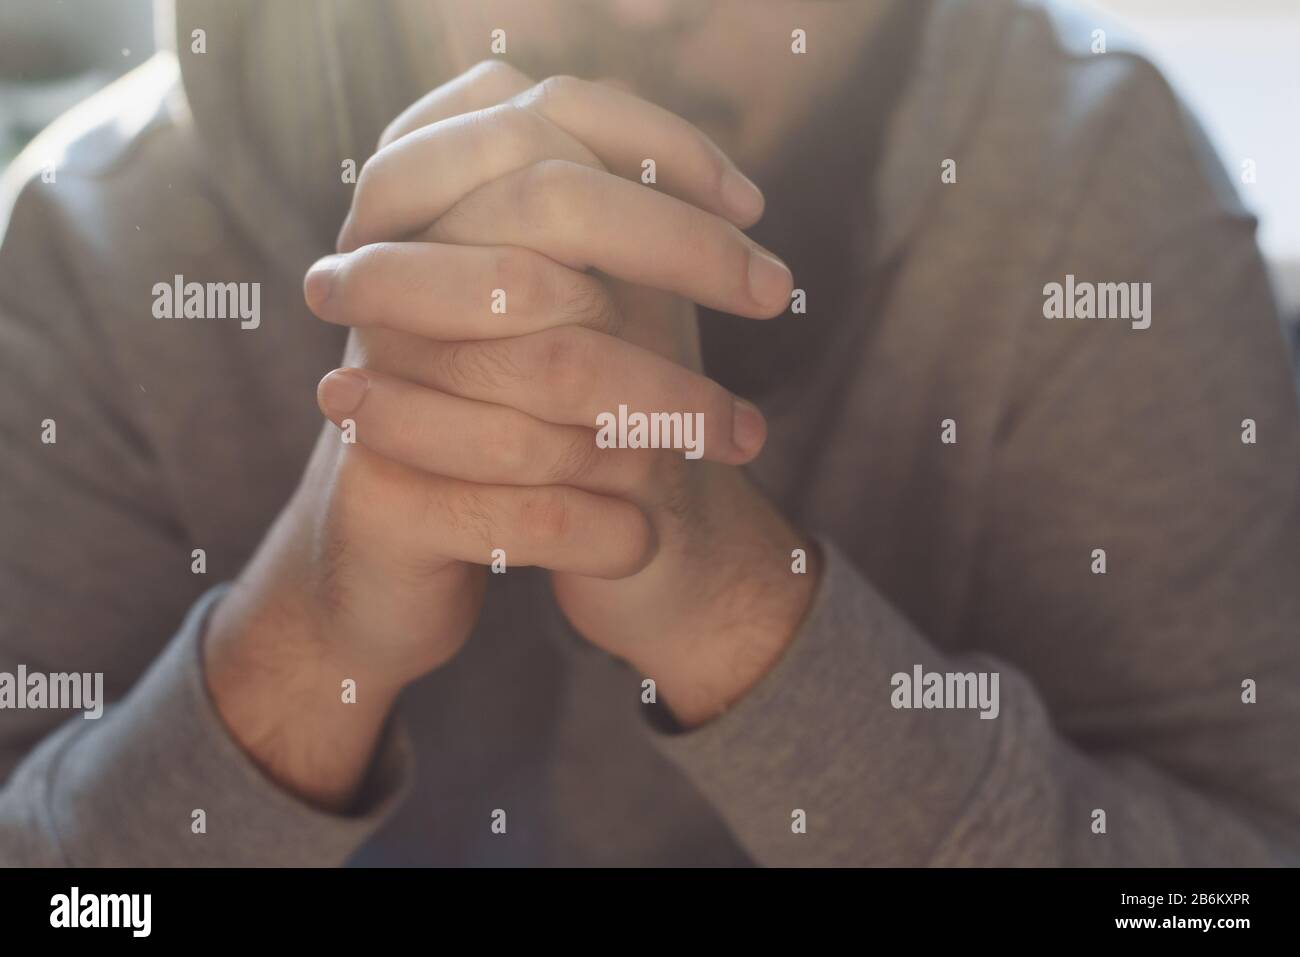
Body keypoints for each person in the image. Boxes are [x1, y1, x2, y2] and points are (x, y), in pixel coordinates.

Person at [1, 0, 1296, 867]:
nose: (644, 8)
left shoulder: (1083, 184)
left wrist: (738, 608)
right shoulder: (91, 244)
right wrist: (301, 638)